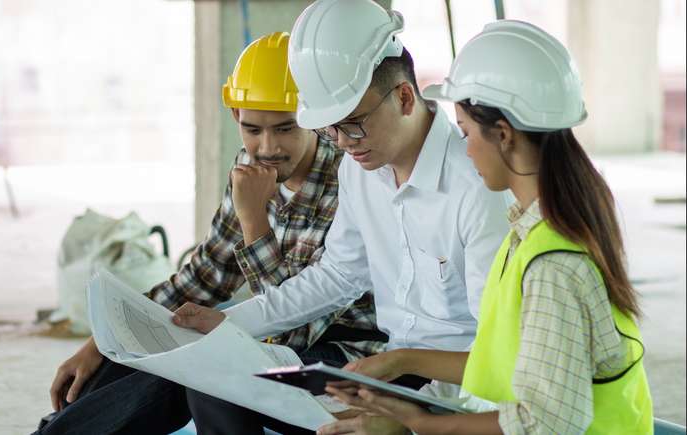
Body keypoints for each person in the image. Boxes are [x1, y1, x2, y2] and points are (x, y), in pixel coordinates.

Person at [37, 32, 386, 435]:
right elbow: (205, 276)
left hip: (344, 352)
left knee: (201, 370)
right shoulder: (249, 167)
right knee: (126, 358)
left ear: (314, 118)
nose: (267, 147)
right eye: (252, 129)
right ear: (236, 116)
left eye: (286, 129)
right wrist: (100, 344)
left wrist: (254, 221)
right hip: (274, 339)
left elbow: (293, 326)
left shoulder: (348, 180)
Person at [183, 1, 509, 433]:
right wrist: (232, 321)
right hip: (387, 373)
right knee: (212, 380)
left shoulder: (476, 187)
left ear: (405, 97)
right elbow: (337, 275)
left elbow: (499, 356)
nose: (342, 142)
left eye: (352, 124)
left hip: (452, 387)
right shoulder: (360, 168)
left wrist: (406, 420)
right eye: (329, 129)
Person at [319, 20, 654, 435]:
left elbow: (548, 423)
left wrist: (417, 427)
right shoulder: (534, 233)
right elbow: (502, 363)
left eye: (465, 132)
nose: (465, 149)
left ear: (504, 135)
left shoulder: (553, 265)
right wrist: (401, 362)